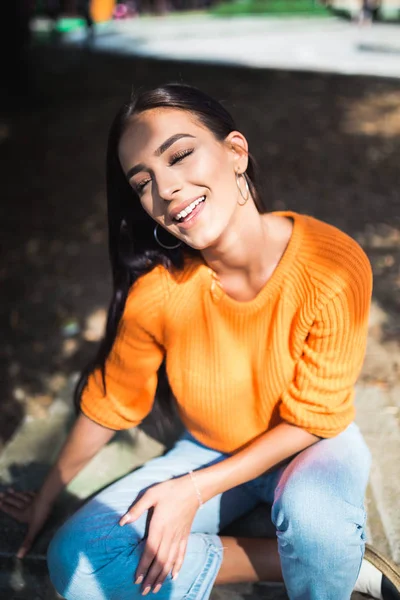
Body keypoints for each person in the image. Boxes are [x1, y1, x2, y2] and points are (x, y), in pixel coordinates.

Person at [1, 84, 399, 600]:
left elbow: (314, 418)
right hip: (207, 448)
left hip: (309, 445)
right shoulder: (159, 293)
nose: (165, 189)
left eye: (181, 154)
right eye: (142, 182)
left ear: (236, 152)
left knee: (318, 525)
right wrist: (46, 496)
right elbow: (111, 402)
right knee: (78, 560)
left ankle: (326, 553)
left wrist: (192, 491)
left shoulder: (332, 265)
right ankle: (308, 561)